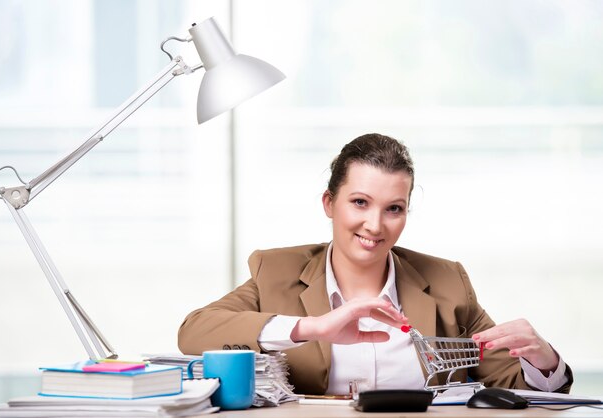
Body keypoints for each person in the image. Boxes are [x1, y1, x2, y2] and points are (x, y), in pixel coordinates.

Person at [178, 133, 572, 395]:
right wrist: (312, 327)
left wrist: (546, 361)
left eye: (394, 209)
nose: (375, 225)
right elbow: (194, 332)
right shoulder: (276, 272)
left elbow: (517, 387)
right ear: (329, 204)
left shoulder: (446, 282)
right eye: (360, 202)